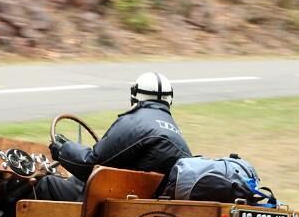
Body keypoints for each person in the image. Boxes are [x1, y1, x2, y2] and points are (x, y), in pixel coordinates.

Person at [34, 72, 191, 202]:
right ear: (170, 99)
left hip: (116, 203)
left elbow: (91, 163)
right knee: (74, 181)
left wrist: (62, 149)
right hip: (145, 199)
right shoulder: (175, 129)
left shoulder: (133, 122)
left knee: (47, 184)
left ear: (134, 96)